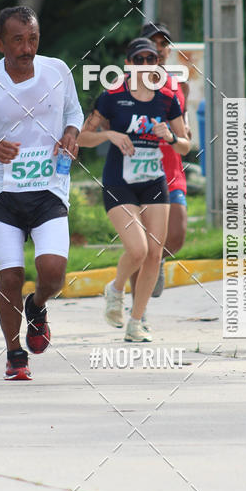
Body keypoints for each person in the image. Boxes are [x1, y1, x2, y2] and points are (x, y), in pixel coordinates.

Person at [0, 6, 83, 381]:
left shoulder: (57, 71)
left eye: (33, 39)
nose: (27, 49)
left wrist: (71, 132)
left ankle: (37, 305)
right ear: (0, 44)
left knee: (53, 273)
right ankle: (14, 355)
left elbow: (74, 112)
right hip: (4, 194)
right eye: (18, 41)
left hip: (49, 189)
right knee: (10, 277)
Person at [77, 37, 190, 343]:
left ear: (157, 63)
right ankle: (115, 290)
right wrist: (109, 135)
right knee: (138, 249)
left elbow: (185, 145)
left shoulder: (167, 99)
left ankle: (136, 322)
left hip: (153, 181)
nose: (145, 64)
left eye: (150, 59)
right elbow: (82, 137)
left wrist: (170, 137)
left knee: (154, 253)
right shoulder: (112, 96)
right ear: (128, 64)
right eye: (138, 59)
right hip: (119, 182)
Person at [141, 21, 191, 297]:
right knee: (142, 243)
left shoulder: (179, 84)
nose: (159, 49)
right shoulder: (127, 84)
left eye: (164, 44)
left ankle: (157, 258)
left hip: (171, 167)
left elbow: (183, 120)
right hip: (139, 169)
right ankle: (138, 311)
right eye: (154, 43)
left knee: (177, 234)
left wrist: (185, 130)